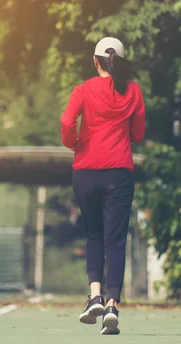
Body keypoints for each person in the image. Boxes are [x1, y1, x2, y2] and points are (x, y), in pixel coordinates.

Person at [60, 37, 146, 335]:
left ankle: (94, 295)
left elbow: (67, 121)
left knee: (94, 234)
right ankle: (111, 304)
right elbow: (138, 132)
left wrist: (75, 143)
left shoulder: (83, 90)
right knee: (116, 241)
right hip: (118, 172)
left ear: (95, 61)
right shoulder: (132, 91)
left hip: (85, 171)